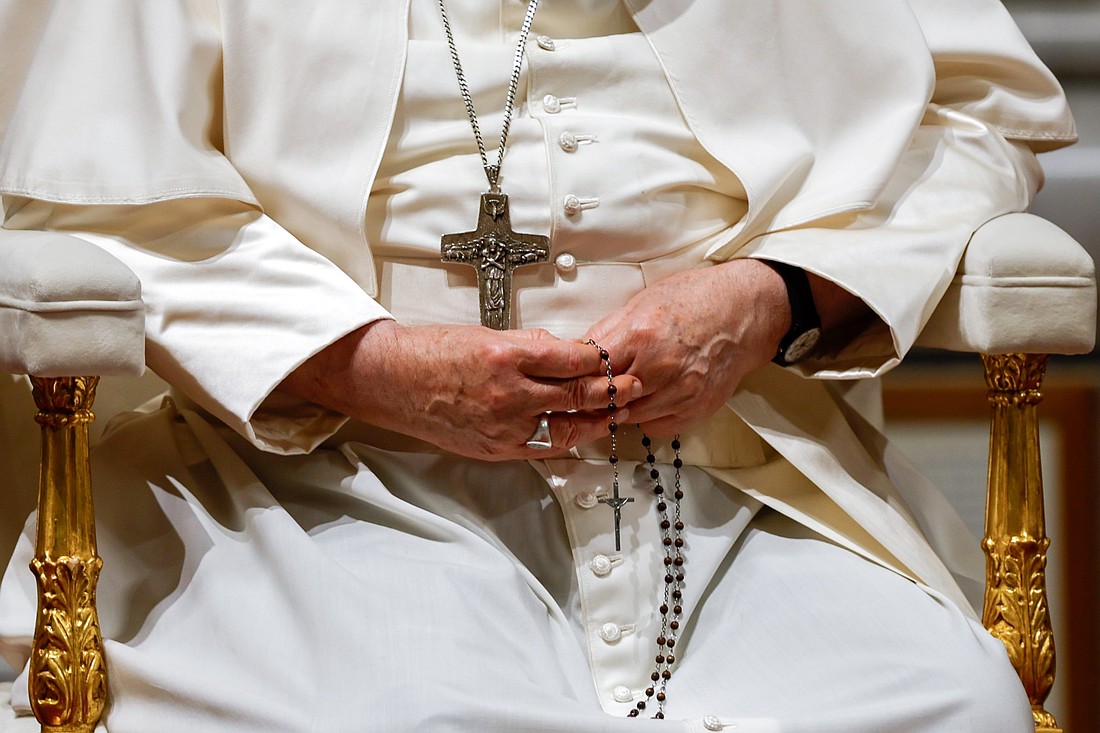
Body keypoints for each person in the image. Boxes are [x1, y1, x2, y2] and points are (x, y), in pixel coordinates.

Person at [0, 1, 1076, 731]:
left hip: (731, 476)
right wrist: (366, 365)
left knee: (942, 700)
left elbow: (975, 119)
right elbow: (95, 207)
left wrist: (773, 296)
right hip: (319, 485)